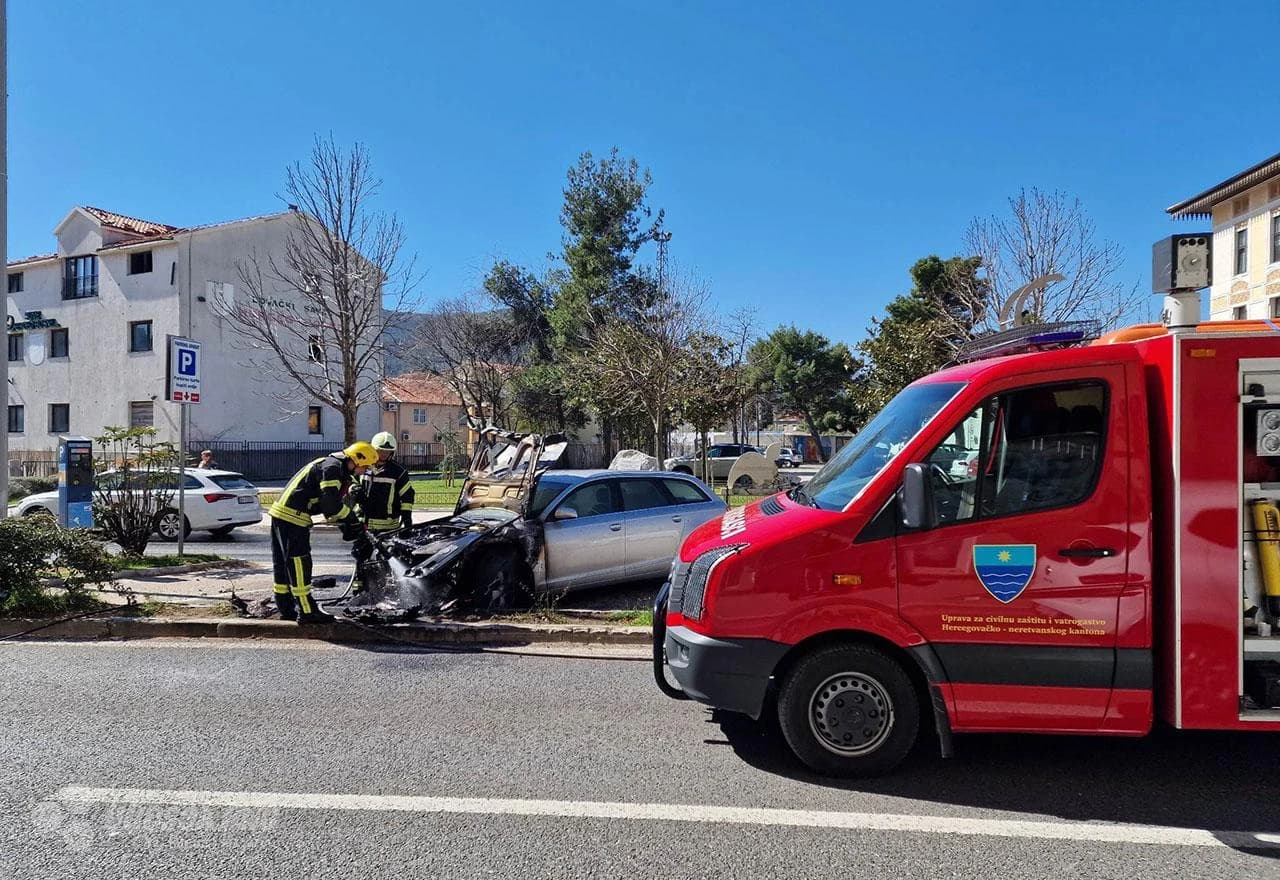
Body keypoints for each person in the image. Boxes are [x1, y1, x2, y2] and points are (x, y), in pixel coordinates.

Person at [268, 441, 378, 623]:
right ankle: (306, 611)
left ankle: (285, 606)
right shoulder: (333, 468)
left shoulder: (331, 464)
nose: (363, 472)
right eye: (364, 467)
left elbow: (327, 506)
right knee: (299, 562)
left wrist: (346, 525)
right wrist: (351, 520)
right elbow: (331, 506)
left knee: (282, 563)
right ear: (357, 460)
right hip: (293, 517)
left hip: (283, 514)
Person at [347, 432, 416, 593]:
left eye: (387, 452)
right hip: (365, 523)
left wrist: (407, 520)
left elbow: (407, 496)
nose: (383, 455)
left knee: (386, 559)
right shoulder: (364, 467)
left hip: (388, 525)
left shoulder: (398, 472)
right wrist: (353, 489)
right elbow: (350, 483)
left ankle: (384, 590)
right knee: (361, 555)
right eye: (380, 452)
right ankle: (360, 588)